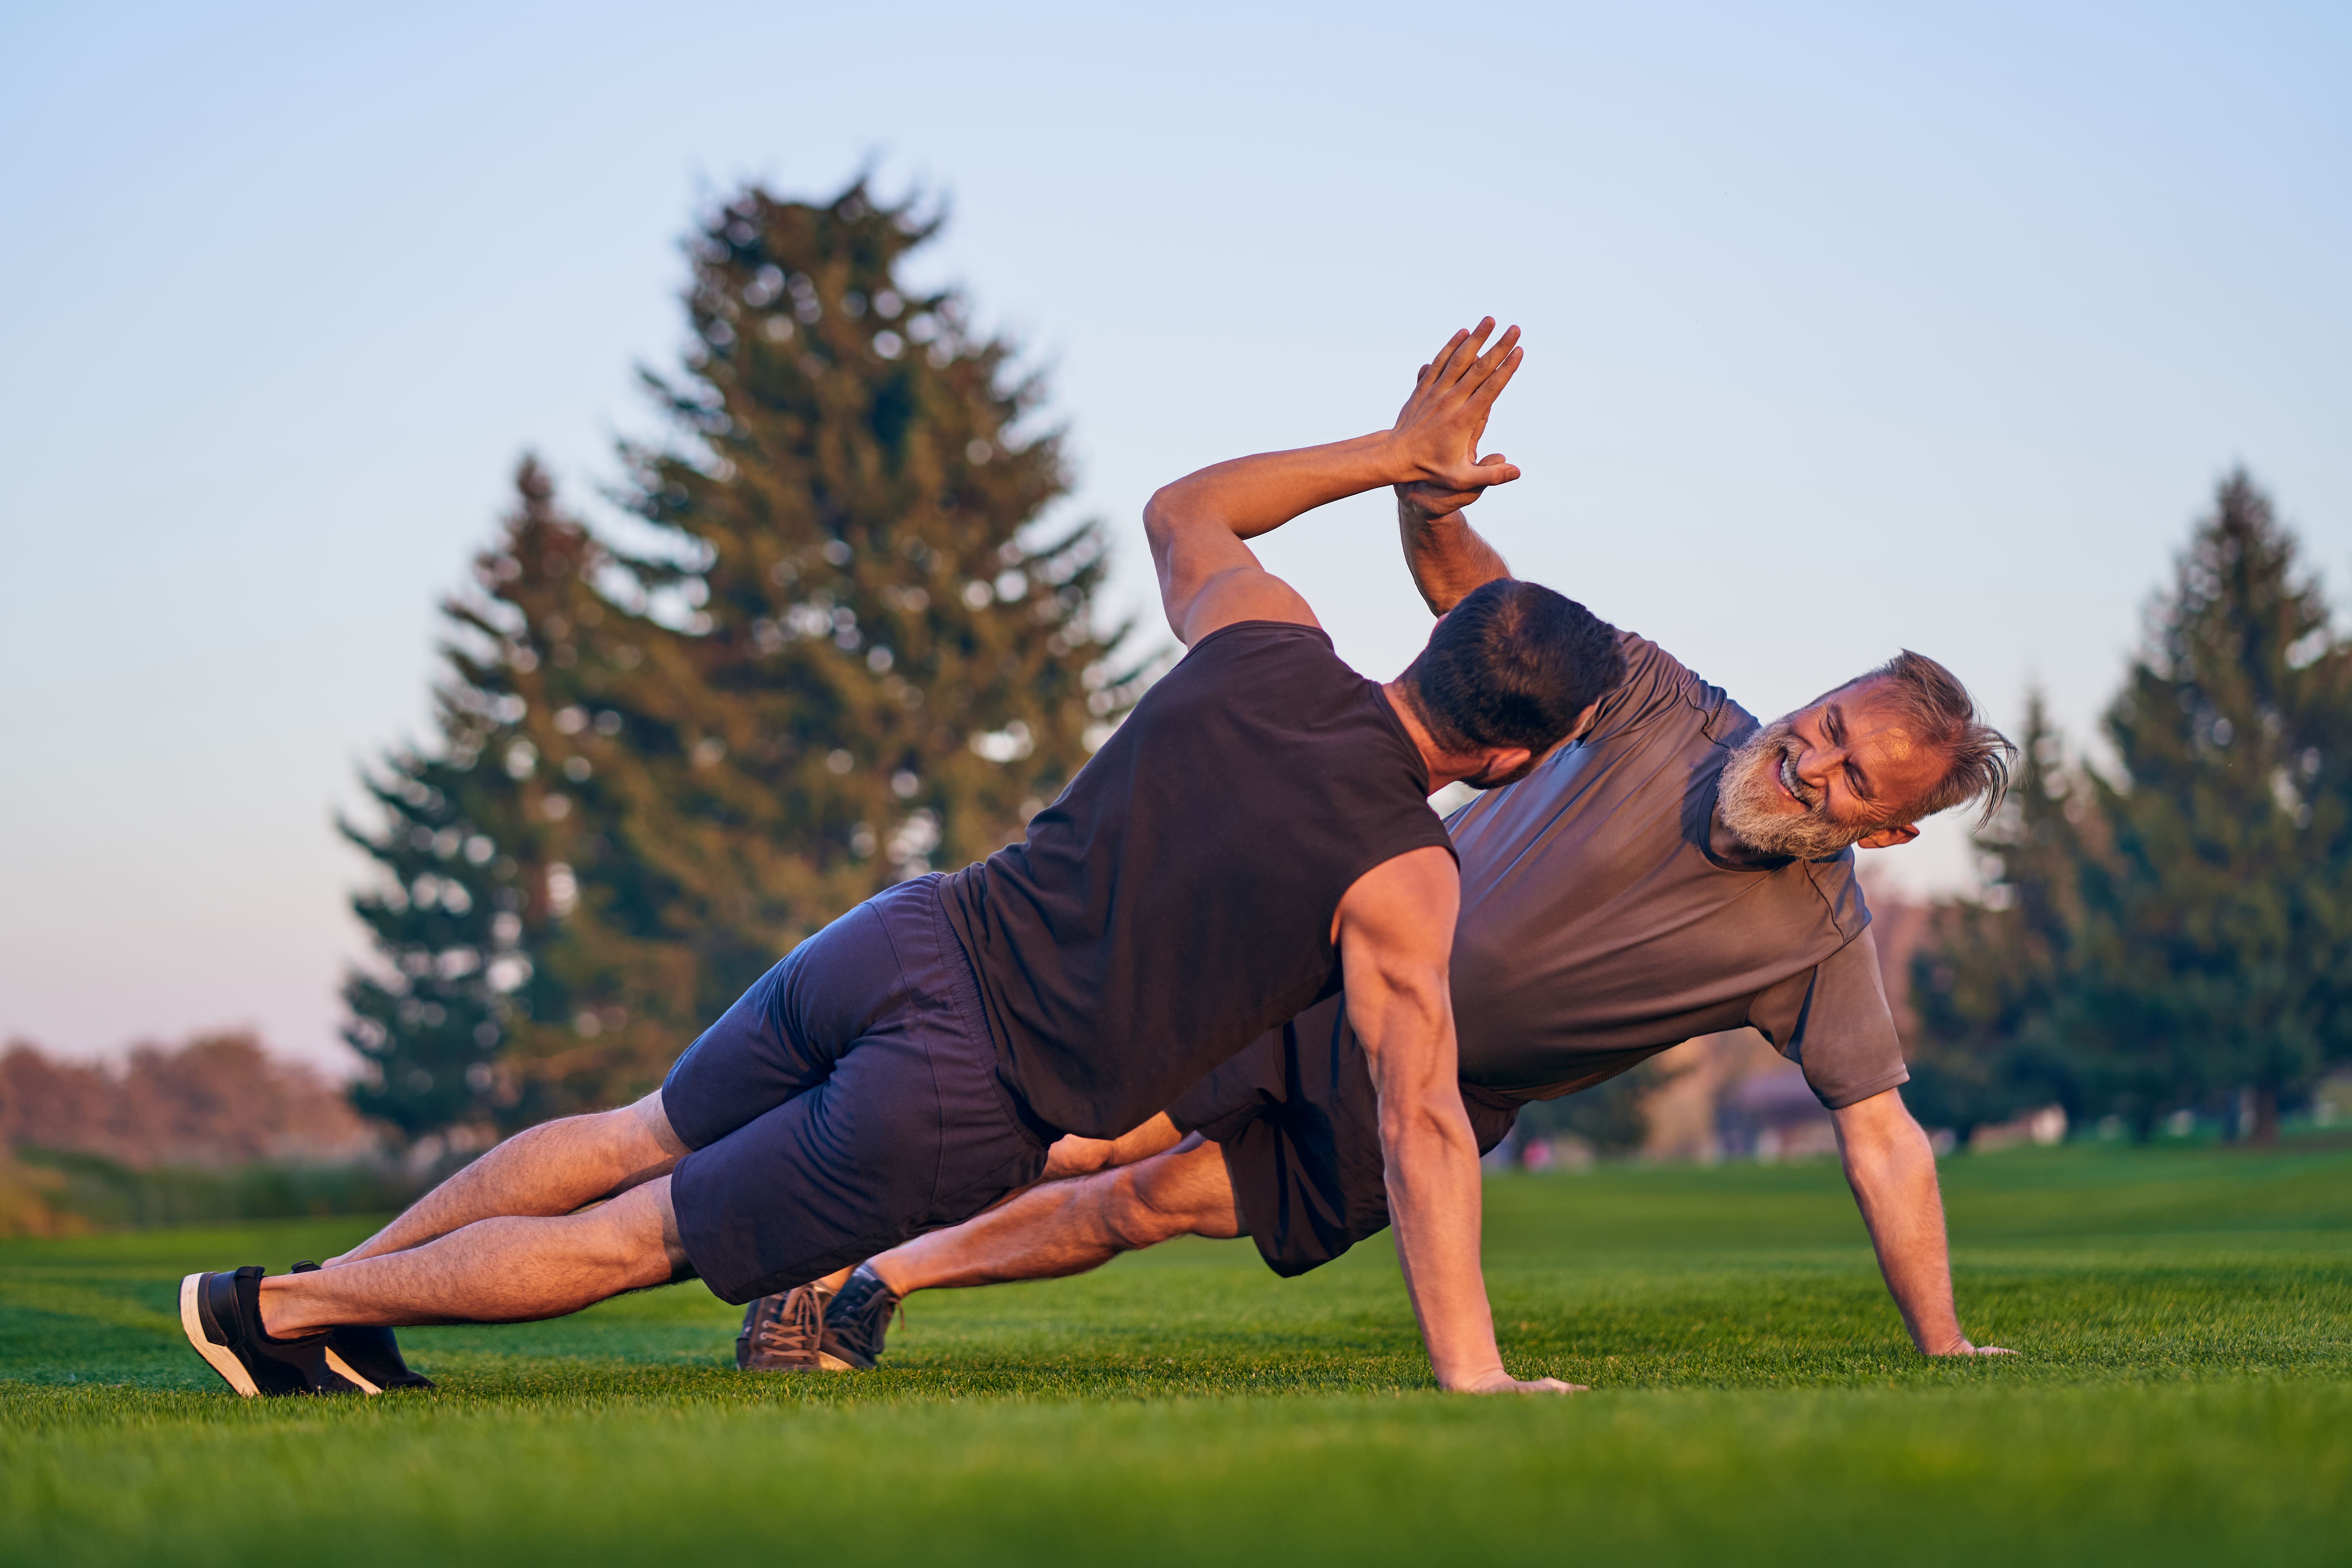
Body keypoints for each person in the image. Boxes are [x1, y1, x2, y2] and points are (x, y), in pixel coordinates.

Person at [177, 319, 1625, 1399]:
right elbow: (1424, 1122)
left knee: (636, 1135)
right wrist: (1476, 1375)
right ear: (1508, 759)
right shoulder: (1405, 876)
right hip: (959, 1094)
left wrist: (1397, 461)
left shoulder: (1265, 642)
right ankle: (281, 1310)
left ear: (1436, 646)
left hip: (905, 936)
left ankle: (339, 1305)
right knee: (638, 1237)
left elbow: (1184, 509)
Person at [742, 412, 2022, 1376]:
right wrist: (1429, 495)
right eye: (1825, 723)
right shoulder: (1662, 702)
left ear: (1892, 829)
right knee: (1087, 1130)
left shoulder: (1820, 941)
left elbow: (1882, 1140)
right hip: (1323, 963)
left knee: (1151, 1204)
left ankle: (880, 1281)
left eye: (1852, 779)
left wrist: (1946, 1345)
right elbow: (1488, 618)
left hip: (1444, 1098)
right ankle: (804, 1239)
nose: (1811, 759)